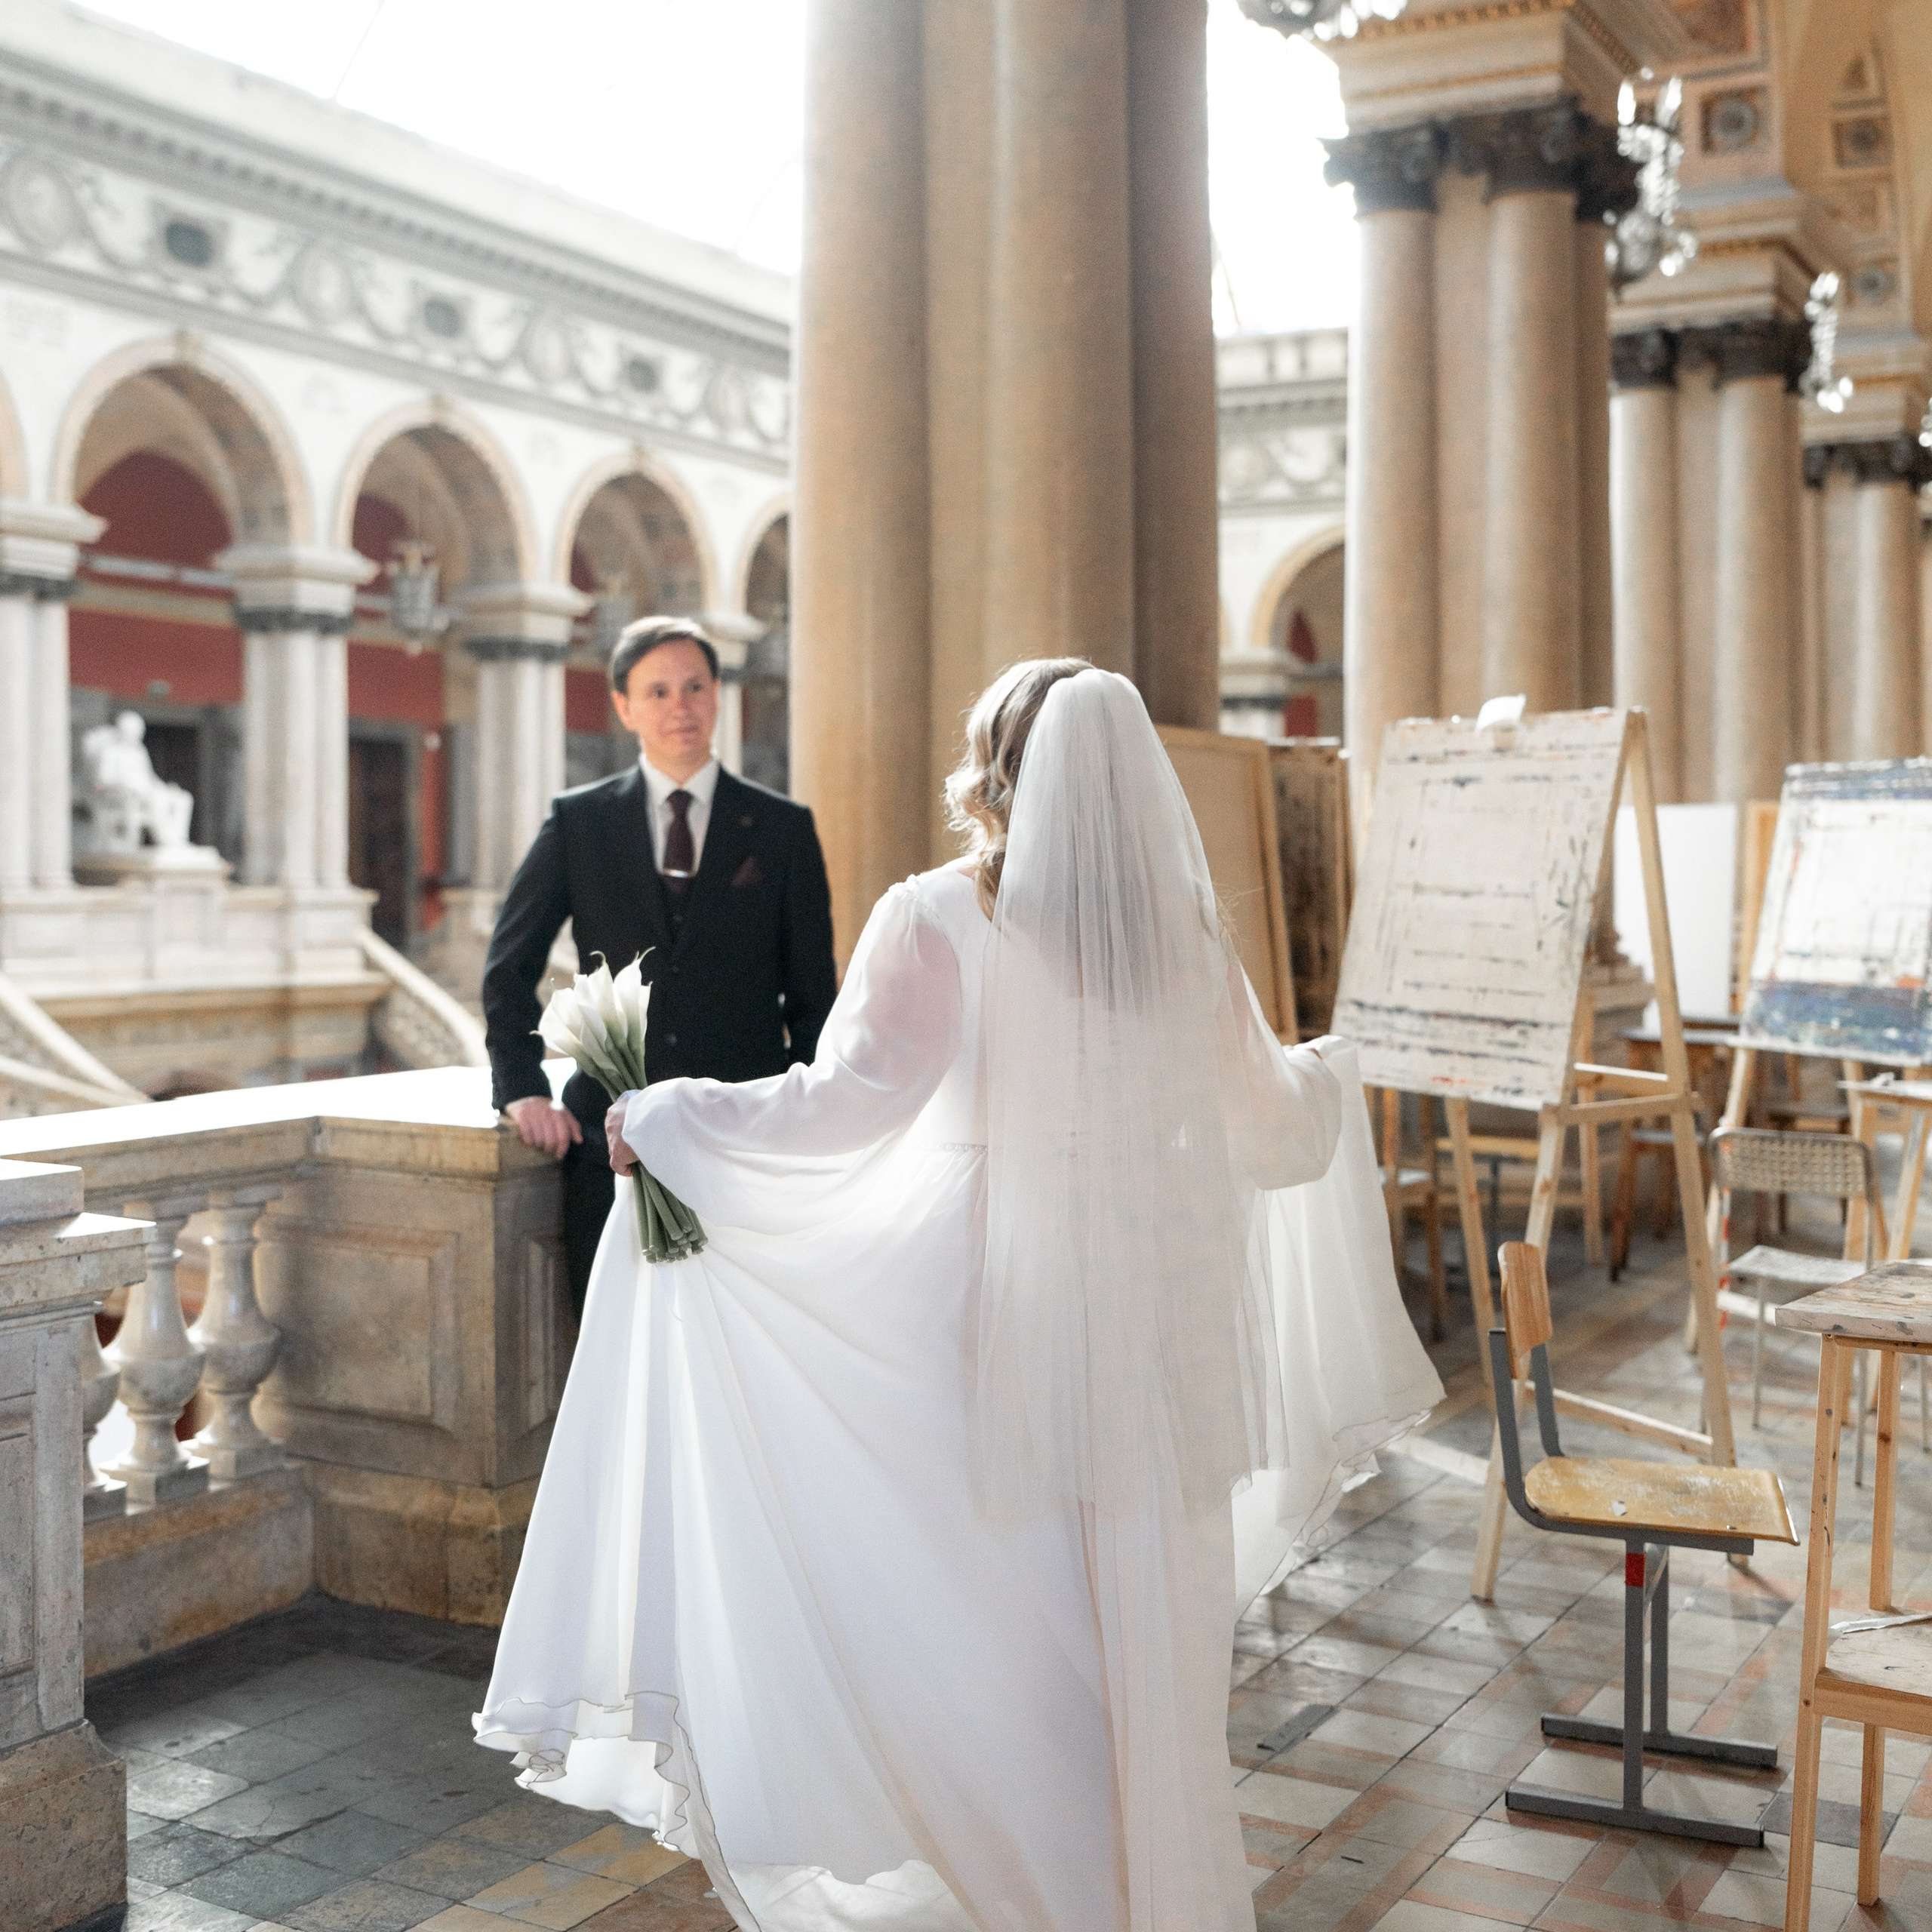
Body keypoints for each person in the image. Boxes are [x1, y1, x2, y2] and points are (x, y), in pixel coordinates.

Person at [475, 660, 1442, 1930]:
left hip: (997, 1305)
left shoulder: (937, 915)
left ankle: (1053, 1884)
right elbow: (1269, 1136)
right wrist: (1333, 1070)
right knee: (1154, 1626)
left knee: (1014, 1624)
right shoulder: (1183, 936)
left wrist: (676, 1114)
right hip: (1163, 1317)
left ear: (992, 769)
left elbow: (845, 1105)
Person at [481, 616, 837, 1315]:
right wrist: (521, 1088)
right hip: (607, 1145)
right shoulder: (577, 823)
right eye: (659, 690)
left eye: (696, 687)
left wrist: (797, 1117)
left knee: (737, 1344)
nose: (681, 706)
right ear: (625, 706)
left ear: (717, 696)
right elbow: (508, 964)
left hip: (741, 1141)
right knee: (615, 1346)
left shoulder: (781, 828)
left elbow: (814, 997)